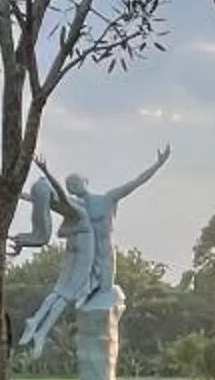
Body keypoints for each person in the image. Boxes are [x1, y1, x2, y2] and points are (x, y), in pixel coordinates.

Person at [16, 147, 170, 356]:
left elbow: (135, 183)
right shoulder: (77, 205)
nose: (72, 187)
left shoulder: (107, 199)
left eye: (75, 183)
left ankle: (40, 327)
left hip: (105, 256)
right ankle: (39, 328)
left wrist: (158, 164)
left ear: (85, 182)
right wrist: (24, 195)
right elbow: (54, 201)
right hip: (84, 256)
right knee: (68, 292)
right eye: (70, 185)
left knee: (103, 295)